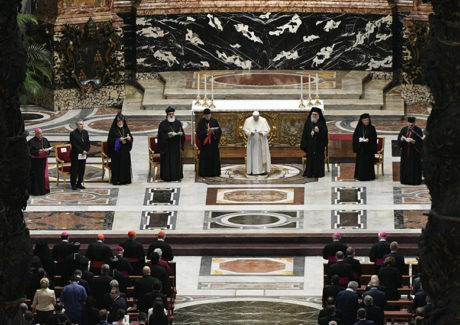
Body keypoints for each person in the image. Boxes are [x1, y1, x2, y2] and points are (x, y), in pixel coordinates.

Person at [158, 106, 185, 181]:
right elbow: (160, 136)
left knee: (176, 162)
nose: (171, 115)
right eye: (170, 114)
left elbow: (182, 133)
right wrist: (167, 136)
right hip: (167, 147)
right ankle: (167, 176)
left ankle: (176, 176)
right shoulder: (163, 124)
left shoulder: (178, 123)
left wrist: (181, 134)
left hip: (175, 147)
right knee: (167, 162)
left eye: (172, 114)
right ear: (167, 114)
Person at [300, 107, 328, 178]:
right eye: (313, 114)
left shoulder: (321, 122)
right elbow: (304, 133)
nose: (314, 116)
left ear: (318, 115)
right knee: (310, 158)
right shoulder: (308, 121)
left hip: (319, 145)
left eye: (316, 114)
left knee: (318, 158)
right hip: (310, 145)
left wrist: (319, 131)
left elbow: (325, 133)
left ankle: (318, 173)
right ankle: (310, 172)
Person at [107, 113, 133, 185]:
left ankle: (126, 179)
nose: (120, 122)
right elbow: (110, 141)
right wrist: (118, 140)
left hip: (125, 151)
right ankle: (117, 180)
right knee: (118, 166)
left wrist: (129, 138)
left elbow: (131, 137)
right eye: (119, 121)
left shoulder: (126, 129)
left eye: (121, 121)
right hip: (117, 153)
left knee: (125, 165)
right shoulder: (113, 130)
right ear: (116, 122)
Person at [243, 111, 271, 175]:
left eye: (257, 117)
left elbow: (268, 130)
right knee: (252, 155)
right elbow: (245, 130)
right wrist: (250, 133)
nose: (256, 119)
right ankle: (252, 170)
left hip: (261, 141)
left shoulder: (263, 120)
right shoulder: (248, 120)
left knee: (261, 156)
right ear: (252, 116)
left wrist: (263, 133)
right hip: (252, 141)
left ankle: (263, 171)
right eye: (254, 117)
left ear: (259, 116)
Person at [196, 108, 222, 177]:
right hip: (205, 145)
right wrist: (207, 132)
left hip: (213, 144)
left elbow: (219, 131)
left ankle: (214, 173)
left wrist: (213, 132)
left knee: (214, 158)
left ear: (210, 115)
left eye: (209, 115)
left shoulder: (214, 121)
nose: (208, 116)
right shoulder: (201, 123)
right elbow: (199, 133)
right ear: (204, 115)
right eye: (206, 115)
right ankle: (204, 173)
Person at [398, 116, 423, 185]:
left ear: (414, 123)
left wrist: (415, 142)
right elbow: (399, 139)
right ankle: (405, 180)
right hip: (405, 152)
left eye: (412, 123)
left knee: (413, 167)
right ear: (407, 123)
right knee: (406, 166)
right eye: (409, 123)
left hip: (414, 153)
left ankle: (414, 181)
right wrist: (401, 140)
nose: (411, 125)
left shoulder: (418, 130)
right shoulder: (403, 130)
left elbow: (421, 142)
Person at [353, 113, 377, 181]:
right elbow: (355, 137)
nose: (366, 121)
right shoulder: (358, 128)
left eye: (367, 120)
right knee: (361, 163)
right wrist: (359, 139)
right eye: (364, 120)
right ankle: (360, 176)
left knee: (368, 163)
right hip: (361, 149)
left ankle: (369, 177)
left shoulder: (372, 128)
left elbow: (374, 138)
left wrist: (369, 140)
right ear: (361, 121)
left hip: (369, 149)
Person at [28, 128, 52, 195]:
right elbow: (29, 151)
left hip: (43, 160)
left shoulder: (45, 140)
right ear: (35, 134)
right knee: (36, 176)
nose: (40, 134)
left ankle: (43, 190)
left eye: (41, 133)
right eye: (39, 133)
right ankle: (36, 191)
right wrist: (38, 151)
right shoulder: (31, 141)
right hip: (35, 162)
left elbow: (49, 147)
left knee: (43, 176)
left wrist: (48, 151)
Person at [70, 119, 90, 190]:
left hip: (83, 155)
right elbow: (74, 144)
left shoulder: (85, 132)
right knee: (74, 170)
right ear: (77, 125)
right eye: (80, 124)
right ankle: (73, 184)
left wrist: (86, 150)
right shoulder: (73, 133)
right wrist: (81, 151)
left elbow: (88, 142)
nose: (82, 125)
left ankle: (79, 183)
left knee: (82, 170)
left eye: (82, 124)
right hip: (75, 154)